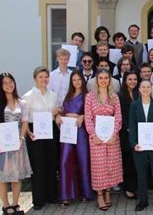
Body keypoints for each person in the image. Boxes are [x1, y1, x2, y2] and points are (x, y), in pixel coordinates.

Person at [0, 72, 32, 215]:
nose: (8, 85)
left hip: (17, 142)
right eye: (5, 83)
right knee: (2, 176)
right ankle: (6, 205)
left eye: (10, 82)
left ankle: (16, 203)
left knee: (16, 175)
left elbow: (24, 122)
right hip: (1, 142)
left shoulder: (22, 102)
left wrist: (21, 138)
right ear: (0, 86)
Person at [84, 69, 123, 211]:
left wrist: (114, 134)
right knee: (99, 167)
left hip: (112, 137)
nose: (103, 80)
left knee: (111, 165)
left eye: (106, 78)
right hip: (96, 138)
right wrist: (93, 135)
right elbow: (88, 118)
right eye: (101, 78)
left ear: (109, 80)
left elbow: (118, 117)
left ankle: (108, 193)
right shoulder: (90, 97)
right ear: (97, 80)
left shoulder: (114, 97)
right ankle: (100, 195)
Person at [22, 67, 60, 210]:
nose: (44, 79)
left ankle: (52, 196)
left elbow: (57, 111)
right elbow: (24, 118)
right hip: (35, 134)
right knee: (38, 166)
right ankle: (38, 199)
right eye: (40, 77)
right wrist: (28, 132)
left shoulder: (53, 95)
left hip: (50, 132)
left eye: (46, 77)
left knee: (51, 164)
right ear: (35, 79)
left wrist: (57, 112)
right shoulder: (28, 96)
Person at [56, 70, 94, 206]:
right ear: (71, 82)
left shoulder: (87, 96)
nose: (77, 82)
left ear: (82, 81)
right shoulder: (67, 96)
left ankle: (86, 192)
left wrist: (83, 116)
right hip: (67, 131)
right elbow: (61, 111)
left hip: (81, 131)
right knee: (65, 161)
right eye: (74, 80)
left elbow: (91, 112)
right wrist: (58, 116)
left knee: (83, 160)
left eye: (79, 79)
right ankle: (66, 195)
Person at [128, 80, 153, 212]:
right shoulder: (134, 105)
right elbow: (131, 126)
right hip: (140, 146)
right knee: (141, 174)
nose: (145, 89)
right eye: (143, 87)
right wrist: (133, 144)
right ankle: (143, 201)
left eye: (148, 87)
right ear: (139, 89)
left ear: (151, 89)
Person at [117, 71, 140, 200]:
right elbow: (119, 114)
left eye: (135, 79)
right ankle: (128, 188)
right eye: (130, 79)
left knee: (136, 160)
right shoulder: (120, 95)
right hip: (126, 133)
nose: (132, 81)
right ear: (125, 81)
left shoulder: (139, 93)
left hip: (138, 132)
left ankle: (135, 186)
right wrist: (127, 127)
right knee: (128, 161)